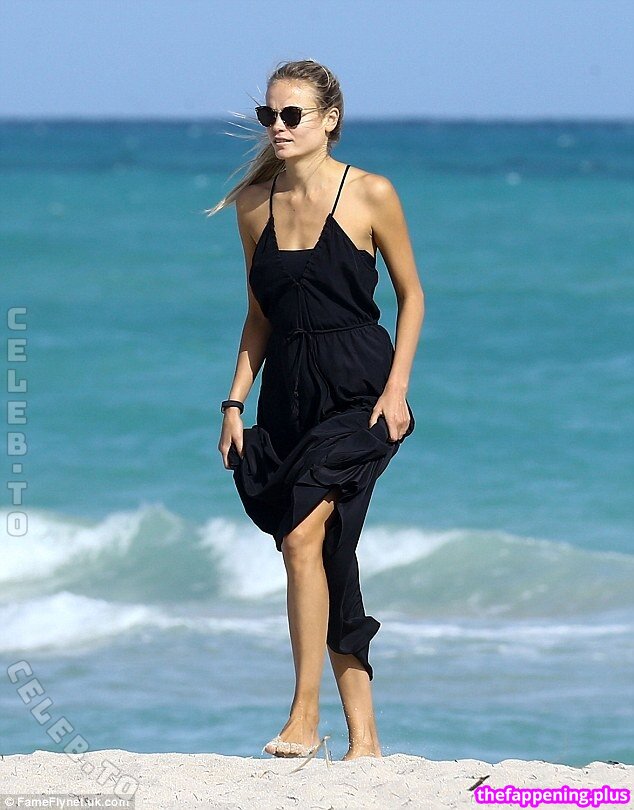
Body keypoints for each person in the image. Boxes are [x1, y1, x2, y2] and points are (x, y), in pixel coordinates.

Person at [207, 59, 425, 761]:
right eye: (269, 114)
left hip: (361, 390)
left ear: (329, 120)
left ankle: (304, 716)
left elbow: (412, 295)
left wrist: (396, 389)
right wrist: (234, 401)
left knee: (302, 538)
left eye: (292, 114)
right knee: (329, 551)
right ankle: (366, 741)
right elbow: (258, 316)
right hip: (287, 394)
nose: (278, 126)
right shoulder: (254, 206)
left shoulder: (370, 193)